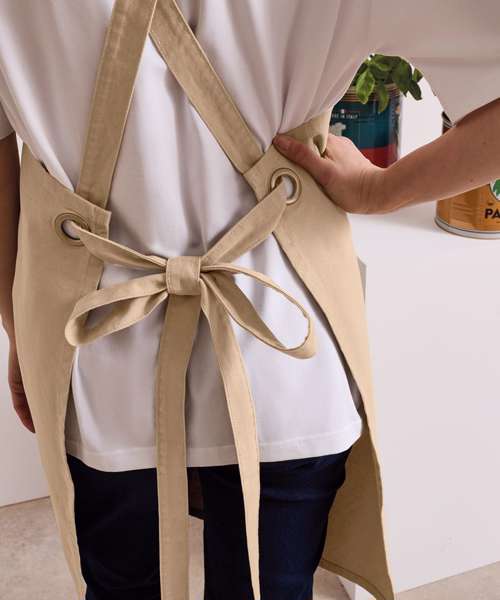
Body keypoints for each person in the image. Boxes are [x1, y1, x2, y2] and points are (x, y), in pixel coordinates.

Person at [1, 1, 499, 599]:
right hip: (284, 348)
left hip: (96, 351)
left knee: (118, 586)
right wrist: (380, 190)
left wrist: (20, 322)